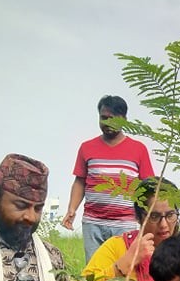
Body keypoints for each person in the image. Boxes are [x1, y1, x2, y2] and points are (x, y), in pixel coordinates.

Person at [62, 95, 156, 261]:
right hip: (93, 223)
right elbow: (80, 181)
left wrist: (147, 218)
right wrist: (72, 208)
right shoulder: (87, 147)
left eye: (113, 118)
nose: (107, 123)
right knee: (95, 271)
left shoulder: (138, 149)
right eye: (103, 118)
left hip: (125, 224)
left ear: (124, 120)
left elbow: (148, 187)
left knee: (125, 269)